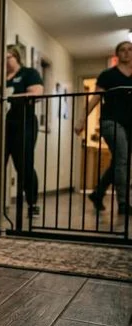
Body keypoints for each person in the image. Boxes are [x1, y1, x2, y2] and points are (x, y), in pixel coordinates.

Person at [75, 41, 132, 215]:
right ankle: (123, 203)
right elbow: (95, 98)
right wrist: (82, 119)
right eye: (122, 50)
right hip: (111, 121)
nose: (126, 53)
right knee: (122, 159)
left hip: (130, 124)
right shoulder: (108, 75)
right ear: (117, 55)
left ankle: (98, 193)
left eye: (130, 50)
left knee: (119, 161)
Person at [5, 45, 44, 216]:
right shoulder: (0, 76)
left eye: (7, 57)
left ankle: (31, 203)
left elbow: (36, 93)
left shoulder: (29, 73)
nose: (5, 61)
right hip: (4, 125)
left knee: (24, 164)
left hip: (24, 123)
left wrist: (9, 97)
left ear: (15, 56)